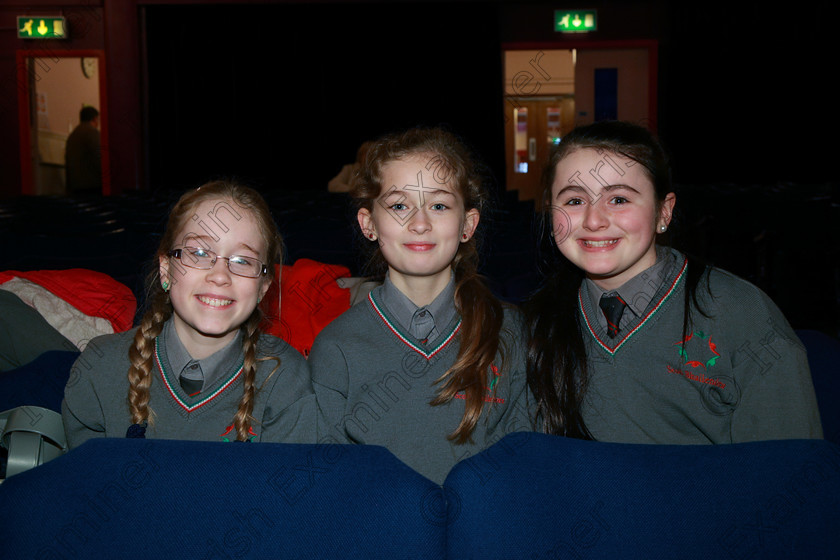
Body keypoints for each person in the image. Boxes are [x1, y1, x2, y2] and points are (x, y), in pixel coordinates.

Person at [525, 120, 822, 443]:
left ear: (663, 212)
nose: (594, 220)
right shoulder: (538, 322)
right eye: (574, 201)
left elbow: (790, 469)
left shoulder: (739, 314)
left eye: (619, 199)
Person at [309, 126, 530, 484]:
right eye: (399, 206)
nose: (420, 223)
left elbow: (524, 471)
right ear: (369, 224)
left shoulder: (511, 331)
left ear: (467, 225)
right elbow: (331, 484)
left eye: (439, 205)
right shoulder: (337, 347)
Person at [62, 180, 317, 447]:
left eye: (242, 261)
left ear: (263, 287)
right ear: (166, 269)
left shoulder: (284, 378)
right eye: (198, 253)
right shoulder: (100, 366)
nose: (219, 276)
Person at [64, 105, 102, 195]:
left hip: (75, 186)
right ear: (95, 119)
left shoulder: (72, 135)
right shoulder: (92, 133)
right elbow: (99, 157)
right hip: (92, 185)